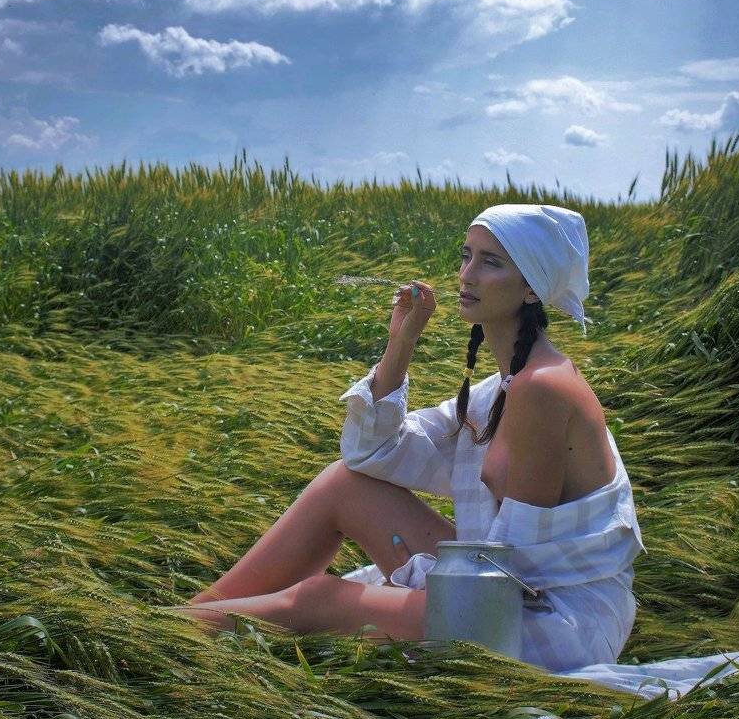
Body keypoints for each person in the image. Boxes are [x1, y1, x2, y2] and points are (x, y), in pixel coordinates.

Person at [168, 203, 646, 674]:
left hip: (549, 623)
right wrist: (402, 342)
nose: (467, 275)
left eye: (491, 262)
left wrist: (403, 585)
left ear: (530, 289)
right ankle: (180, 623)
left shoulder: (543, 389)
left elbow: (510, 574)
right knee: (342, 485)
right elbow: (372, 454)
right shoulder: (498, 390)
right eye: (466, 256)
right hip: (501, 583)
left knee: (321, 598)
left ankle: (169, 634)